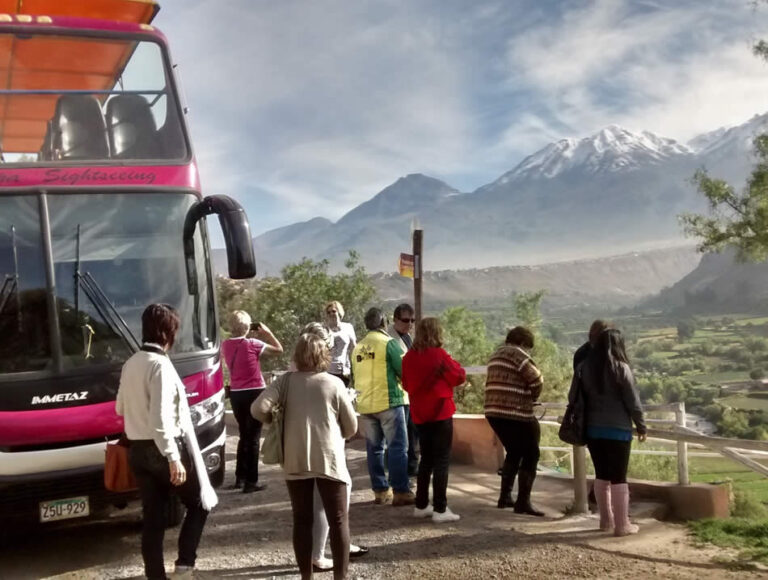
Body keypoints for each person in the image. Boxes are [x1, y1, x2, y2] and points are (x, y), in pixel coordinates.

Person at [116, 304, 212, 579]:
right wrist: (173, 458)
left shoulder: (131, 362)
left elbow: (120, 409)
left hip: (137, 450)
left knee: (153, 519)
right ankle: (184, 566)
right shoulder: (160, 366)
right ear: (170, 331)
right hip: (163, 449)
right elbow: (160, 421)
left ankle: (155, 576)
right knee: (199, 503)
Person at [252, 333, 358, 580]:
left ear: (297, 355)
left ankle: (306, 577)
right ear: (324, 356)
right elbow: (351, 428)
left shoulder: (284, 382)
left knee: (302, 520)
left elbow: (257, 409)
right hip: (328, 460)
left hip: (295, 458)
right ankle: (340, 578)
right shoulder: (333, 383)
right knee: (339, 520)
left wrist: (274, 420)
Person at [299, 323, 369, 571]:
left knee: (315, 505)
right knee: (331, 500)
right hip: (326, 446)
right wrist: (346, 401)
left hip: (304, 448)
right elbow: (348, 426)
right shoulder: (323, 378)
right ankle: (321, 554)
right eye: (328, 347)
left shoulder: (292, 377)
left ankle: (333, 546)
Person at [571, 328, 647, 536]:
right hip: (619, 430)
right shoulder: (621, 368)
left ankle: (606, 521)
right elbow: (633, 401)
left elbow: (574, 398)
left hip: (593, 430)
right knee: (619, 477)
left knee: (601, 475)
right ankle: (623, 525)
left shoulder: (584, 368)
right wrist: (641, 426)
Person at [402, 317, 466, 523]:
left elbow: (405, 384)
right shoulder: (439, 355)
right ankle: (440, 508)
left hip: (419, 414)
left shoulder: (409, 357)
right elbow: (459, 376)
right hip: (440, 413)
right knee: (442, 461)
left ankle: (421, 505)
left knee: (426, 460)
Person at [351, 307, 415, 506]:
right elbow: (404, 372)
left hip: (366, 405)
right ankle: (401, 491)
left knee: (375, 449)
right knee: (398, 448)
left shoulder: (358, 347)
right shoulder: (389, 343)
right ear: (384, 323)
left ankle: (380, 491)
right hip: (389, 402)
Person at [484, 326, 545, 516]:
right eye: (529, 347)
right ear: (523, 343)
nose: (528, 351)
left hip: (493, 412)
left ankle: (505, 497)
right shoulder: (518, 354)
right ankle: (523, 502)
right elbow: (537, 380)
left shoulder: (496, 355)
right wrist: (533, 398)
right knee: (532, 453)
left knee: (514, 451)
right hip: (516, 411)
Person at [221, 310, 283, 493]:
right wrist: (267, 333)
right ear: (248, 327)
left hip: (236, 394)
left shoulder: (225, 345)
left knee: (243, 435)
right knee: (254, 437)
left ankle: (240, 478)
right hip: (255, 392)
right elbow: (279, 350)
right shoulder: (254, 343)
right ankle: (251, 481)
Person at [387, 303, 420, 477]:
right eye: (406, 320)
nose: (410, 324)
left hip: (410, 392)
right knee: (401, 435)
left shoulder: (409, 337)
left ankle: (412, 464)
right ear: (395, 319)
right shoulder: (389, 338)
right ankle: (403, 469)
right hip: (397, 392)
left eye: (412, 320)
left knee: (412, 431)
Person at [324, 300, 357, 387]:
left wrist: (355, 367)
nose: (331, 314)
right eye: (328, 312)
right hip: (328, 371)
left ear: (339, 312)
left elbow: (353, 347)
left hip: (344, 370)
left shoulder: (348, 327)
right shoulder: (323, 330)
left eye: (333, 311)